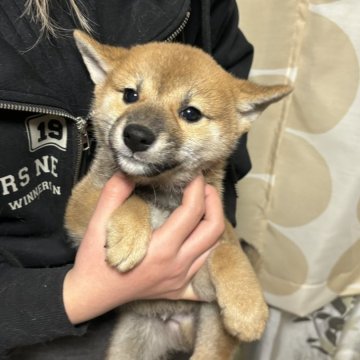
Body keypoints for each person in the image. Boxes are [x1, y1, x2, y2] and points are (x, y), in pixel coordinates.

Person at [0, 0, 254, 358]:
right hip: (29, 309)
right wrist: (80, 294)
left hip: (186, 288)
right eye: (131, 96)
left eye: (190, 113)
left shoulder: (200, 8)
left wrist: (218, 250)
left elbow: (228, 147)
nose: (140, 130)